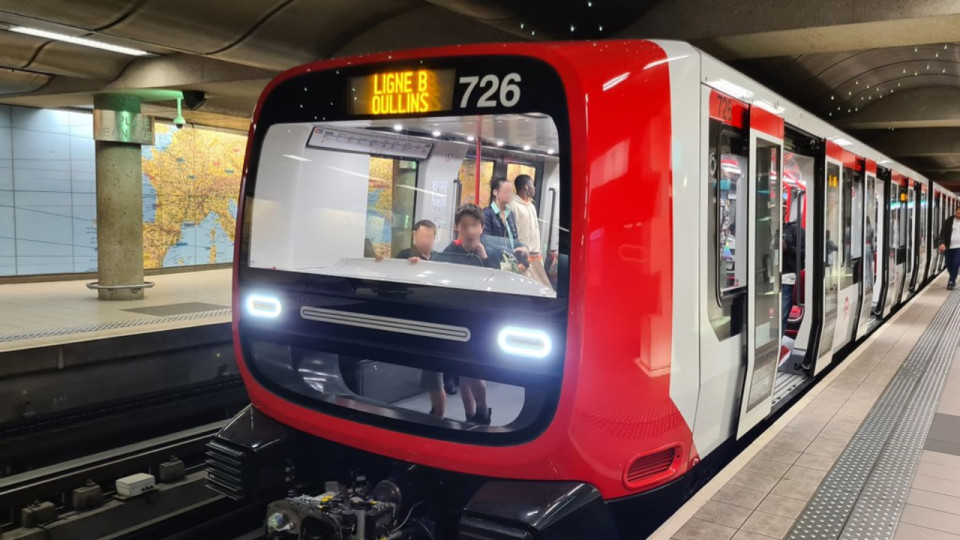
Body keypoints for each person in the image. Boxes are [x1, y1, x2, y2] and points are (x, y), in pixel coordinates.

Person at [440, 203, 496, 425]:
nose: (470, 230)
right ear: (458, 229)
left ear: (481, 227)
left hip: (479, 319)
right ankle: (469, 416)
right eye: (464, 226)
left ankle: (482, 412)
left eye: (474, 225)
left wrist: (484, 259)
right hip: (456, 317)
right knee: (463, 372)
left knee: (474, 371)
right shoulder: (449, 252)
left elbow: (497, 282)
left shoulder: (490, 252)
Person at [509, 174, 552, 288]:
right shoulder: (513, 205)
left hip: (537, 256)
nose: (534, 188)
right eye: (532, 185)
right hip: (524, 256)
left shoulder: (531, 206)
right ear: (526, 187)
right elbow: (514, 232)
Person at [483, 177, 529, 270]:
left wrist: (523, 247)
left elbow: (514, 239)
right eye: (506, 191)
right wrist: (509, 252)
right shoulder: (487, 213)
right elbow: (485, 240)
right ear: (495, 192)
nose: (510, 194)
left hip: (511, 260)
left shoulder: (510, 214)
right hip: (496, 261)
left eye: (511, 191)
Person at [782, 218, 805, 332]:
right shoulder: (765, 229)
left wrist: (787, 248)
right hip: (767, 280)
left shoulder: (795, 230)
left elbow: (805, 252)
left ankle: (778, 342)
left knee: (782, 314)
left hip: (788, 277)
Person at [937, 205, 960, 289]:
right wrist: (942, 243)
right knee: (949, 263)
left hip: (959, 247)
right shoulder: (949, 221)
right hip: (949, 247)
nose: (959, 215)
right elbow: (943, 233)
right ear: (955, 212)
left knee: (956, 262)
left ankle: (951, 281)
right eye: (958, 213)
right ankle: (953, 275)